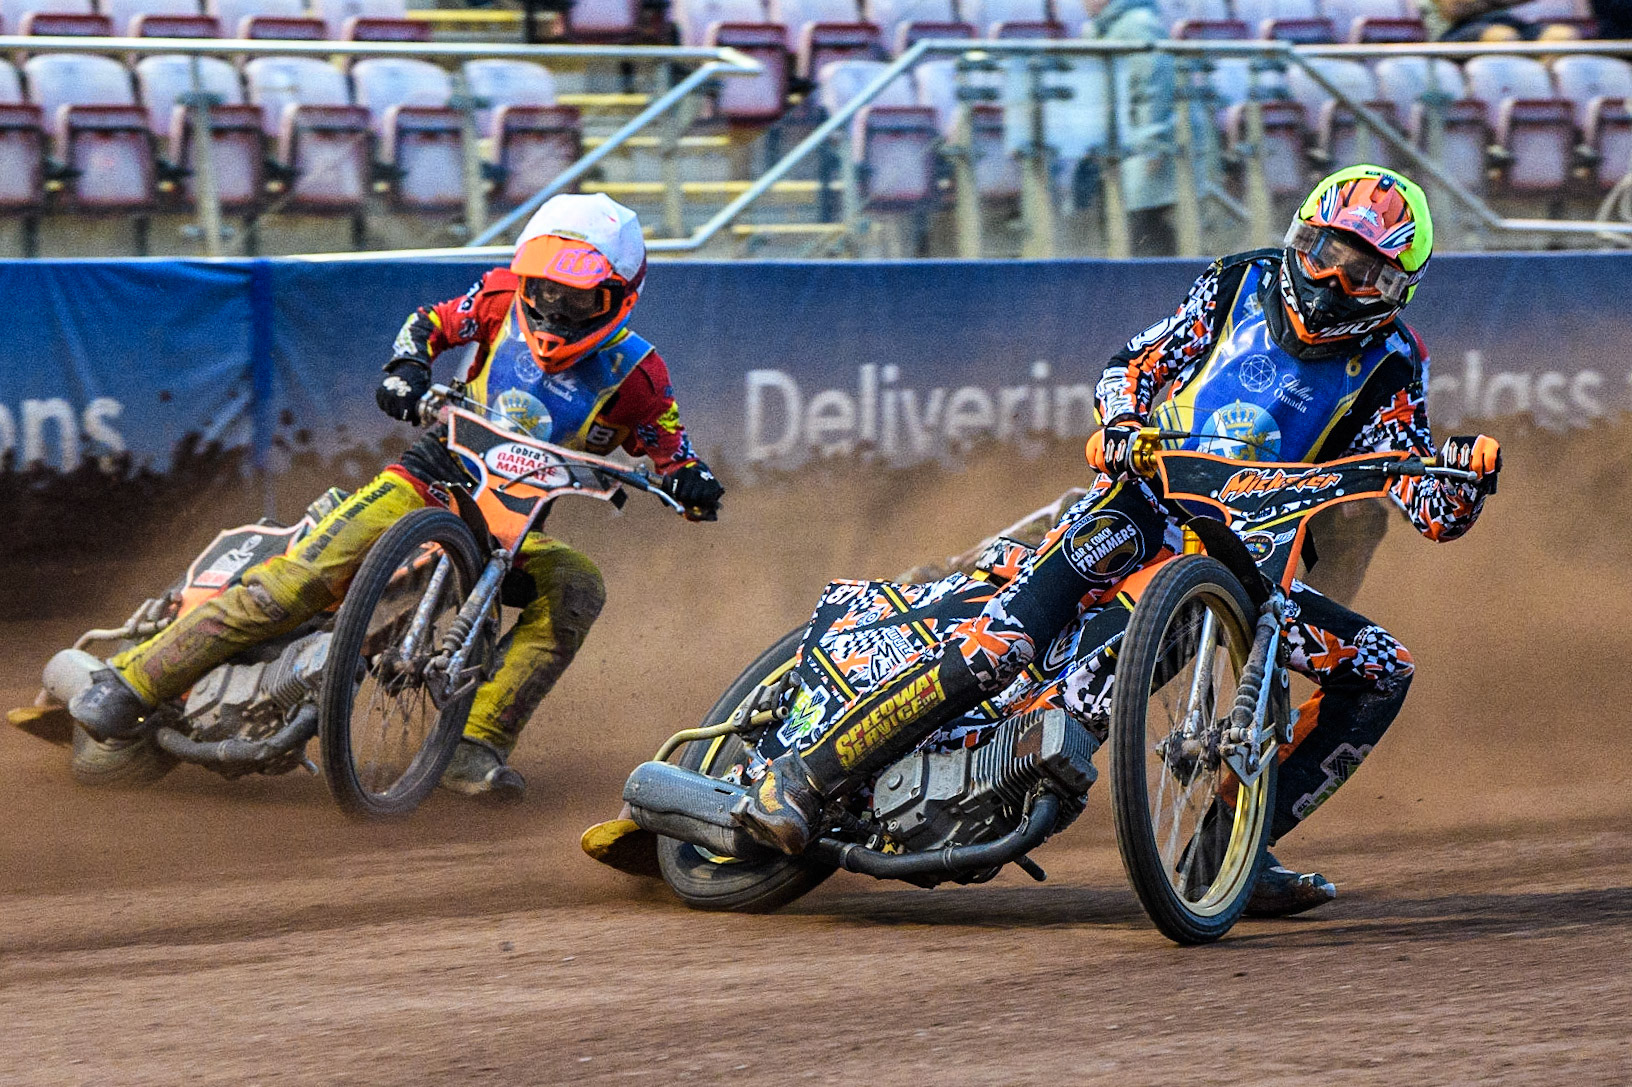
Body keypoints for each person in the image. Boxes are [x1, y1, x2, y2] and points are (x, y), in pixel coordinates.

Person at [733, 165, 1501, 917]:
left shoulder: (1395, 364)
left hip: (1253, 563)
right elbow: (1134, 363)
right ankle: (802, 777)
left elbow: (1424, 502)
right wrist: (1123, 422)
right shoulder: (1238, 281)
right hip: (1143, 506)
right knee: (1005, 644)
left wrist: (1462, 477)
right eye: (1325, 254)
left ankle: (1226, 851)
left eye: (1362, 272)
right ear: (1299, 239)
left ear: (1397, 289)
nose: (1333, 281)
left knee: (1381, 668)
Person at [69, 193, 725, 802]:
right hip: (427, 482)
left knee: (578, 584)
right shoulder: (497, 299)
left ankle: (474, 744)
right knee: (296, 583)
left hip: (512, 529)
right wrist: (408, 367)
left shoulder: (638, 374)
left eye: (577, 301)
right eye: (545, 290)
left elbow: (671, 446)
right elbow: (430, 323)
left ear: (618, 299)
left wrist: (690, 480)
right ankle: (131, 680)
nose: (554, 310)